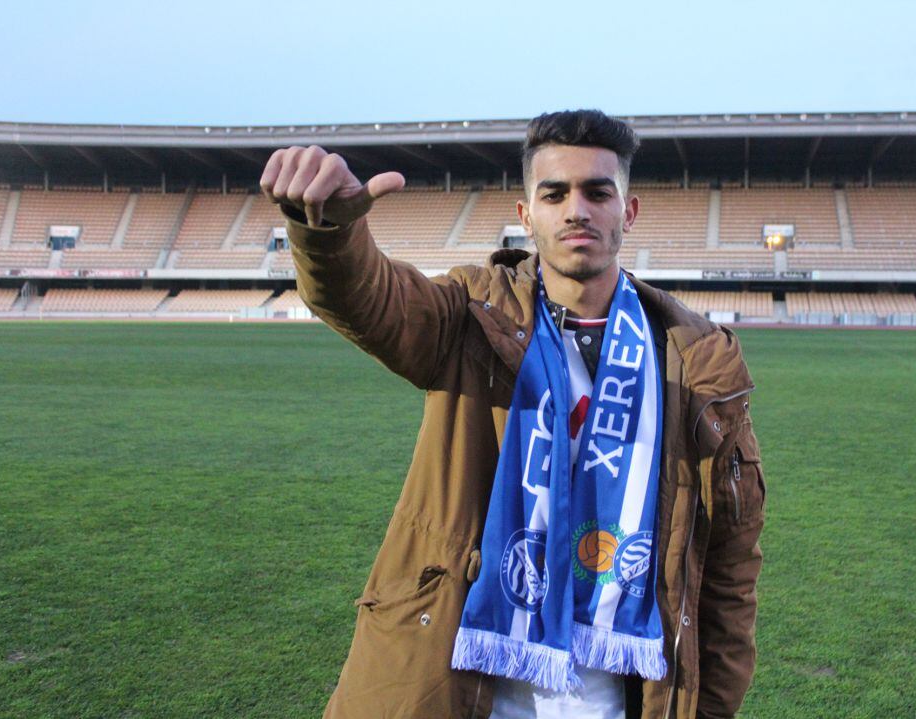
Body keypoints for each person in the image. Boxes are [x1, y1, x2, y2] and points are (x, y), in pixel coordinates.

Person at [259, 109, 766, 719]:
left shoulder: (695, 359)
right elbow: (373, 301)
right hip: (466, 688)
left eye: (597, 192)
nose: (576, 210)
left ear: (628, 212)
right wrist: (330, 234)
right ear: (526, 216)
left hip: (623, 699)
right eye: (555, 194)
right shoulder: (471, 316)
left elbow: (731, 568)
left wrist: (712, 707)